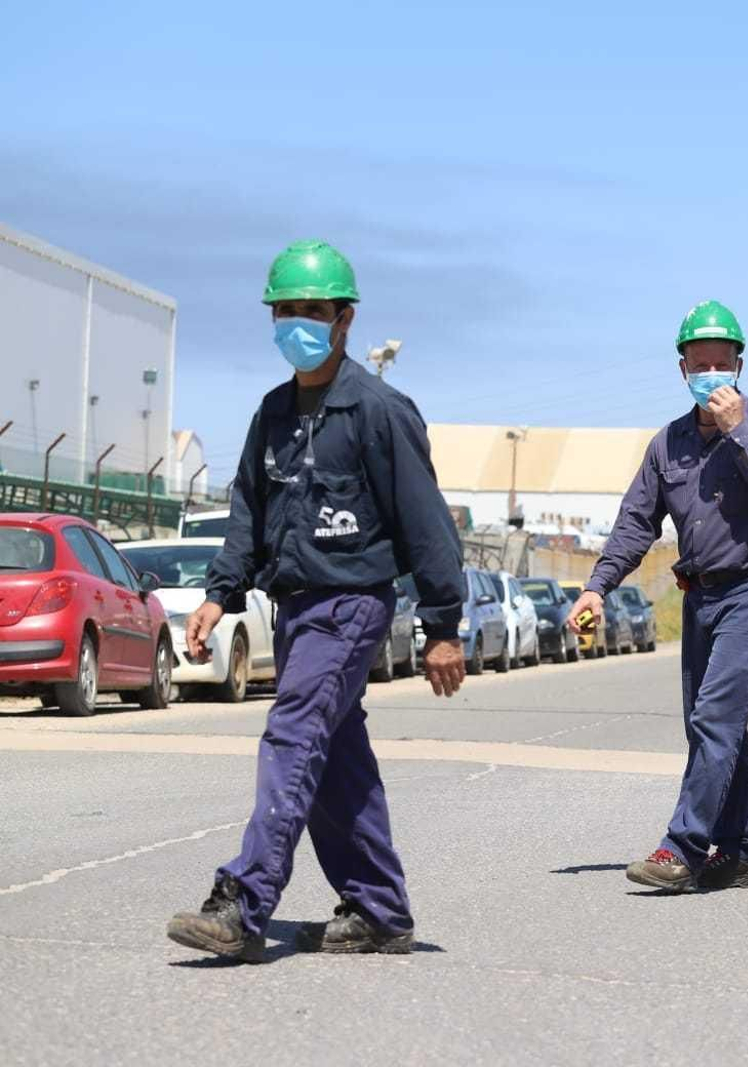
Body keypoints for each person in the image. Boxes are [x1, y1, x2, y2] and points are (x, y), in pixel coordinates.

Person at [166, 240, 467, 962]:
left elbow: (425, 524)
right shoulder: (271, 414)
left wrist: (442, 626)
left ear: (344, 318)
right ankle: (378, 910)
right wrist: (219, 594)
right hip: (296, 610)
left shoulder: (377, 411)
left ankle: (244, 900)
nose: (297, 322)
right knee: (335, 760)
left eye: (312, 310)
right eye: (286, 310)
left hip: (351, 604)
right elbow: (248, 511)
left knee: (294, 731)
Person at [569, 300, 748, 893]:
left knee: (715, 719)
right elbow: (634, 524)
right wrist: (597, 587)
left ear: (740, 366)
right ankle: (745, 851)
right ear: (682, 369)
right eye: (701, 366)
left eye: (722, 365)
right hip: (700, 596)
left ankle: (683, 848)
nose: (712, 377)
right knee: (715, 726)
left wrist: (737, 432)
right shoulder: (667, 444)